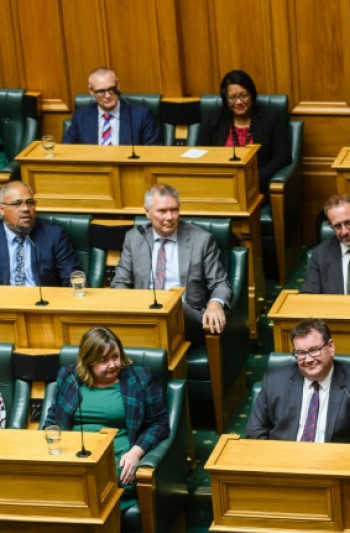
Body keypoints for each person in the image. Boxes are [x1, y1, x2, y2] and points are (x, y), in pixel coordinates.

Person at [43, 326, 169, 510]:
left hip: (116, 456)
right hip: (72, 455)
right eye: (103, 360)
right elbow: (53, 420)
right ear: (88, 362)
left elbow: (160, 423)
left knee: (102, 485)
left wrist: (136, 452)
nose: (112, 365)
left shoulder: (140, 379)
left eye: (115, 357)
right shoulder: (69, 377)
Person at [112, 183, 231, 345]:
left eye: (174, 210)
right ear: (147, 212)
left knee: (174, 304)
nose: (170, 217)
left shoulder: (201, 240)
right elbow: (120, 283)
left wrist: (215, 303)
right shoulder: (134, 238)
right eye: (162, 211)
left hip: (187, 317)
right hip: (145, 315)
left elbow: (220, 283)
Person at [246, 318, 350, 442]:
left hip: (333, 460)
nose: (308, 359)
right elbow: (255, 431)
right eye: (301, 353)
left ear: (330, 347)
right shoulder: (274, 381)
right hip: (284, 458)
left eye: (314, 350)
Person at [197, 69, 292, 196]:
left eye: (244, 95)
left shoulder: (270, 117)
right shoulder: (215, 118)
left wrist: (254, 179)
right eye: (232, 97)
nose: (239, 102)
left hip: (256, 187)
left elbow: (283, 157)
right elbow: (201, 151)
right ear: (225, 99)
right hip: (219, 185)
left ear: (252, 95)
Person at [0, 181, 78, 286]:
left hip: (44, 300)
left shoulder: (54, 236)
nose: (26, 209)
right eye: (17, 203)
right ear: (1, 209)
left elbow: (72, 278)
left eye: (30, 203)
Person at [62, 67, 160, 146]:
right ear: (91, 91)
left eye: (111, 89)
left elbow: (155, 152)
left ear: (117, 85)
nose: (108, 96)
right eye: (101, 91)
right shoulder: (80, 117)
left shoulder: (141, 115)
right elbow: (67, 150)